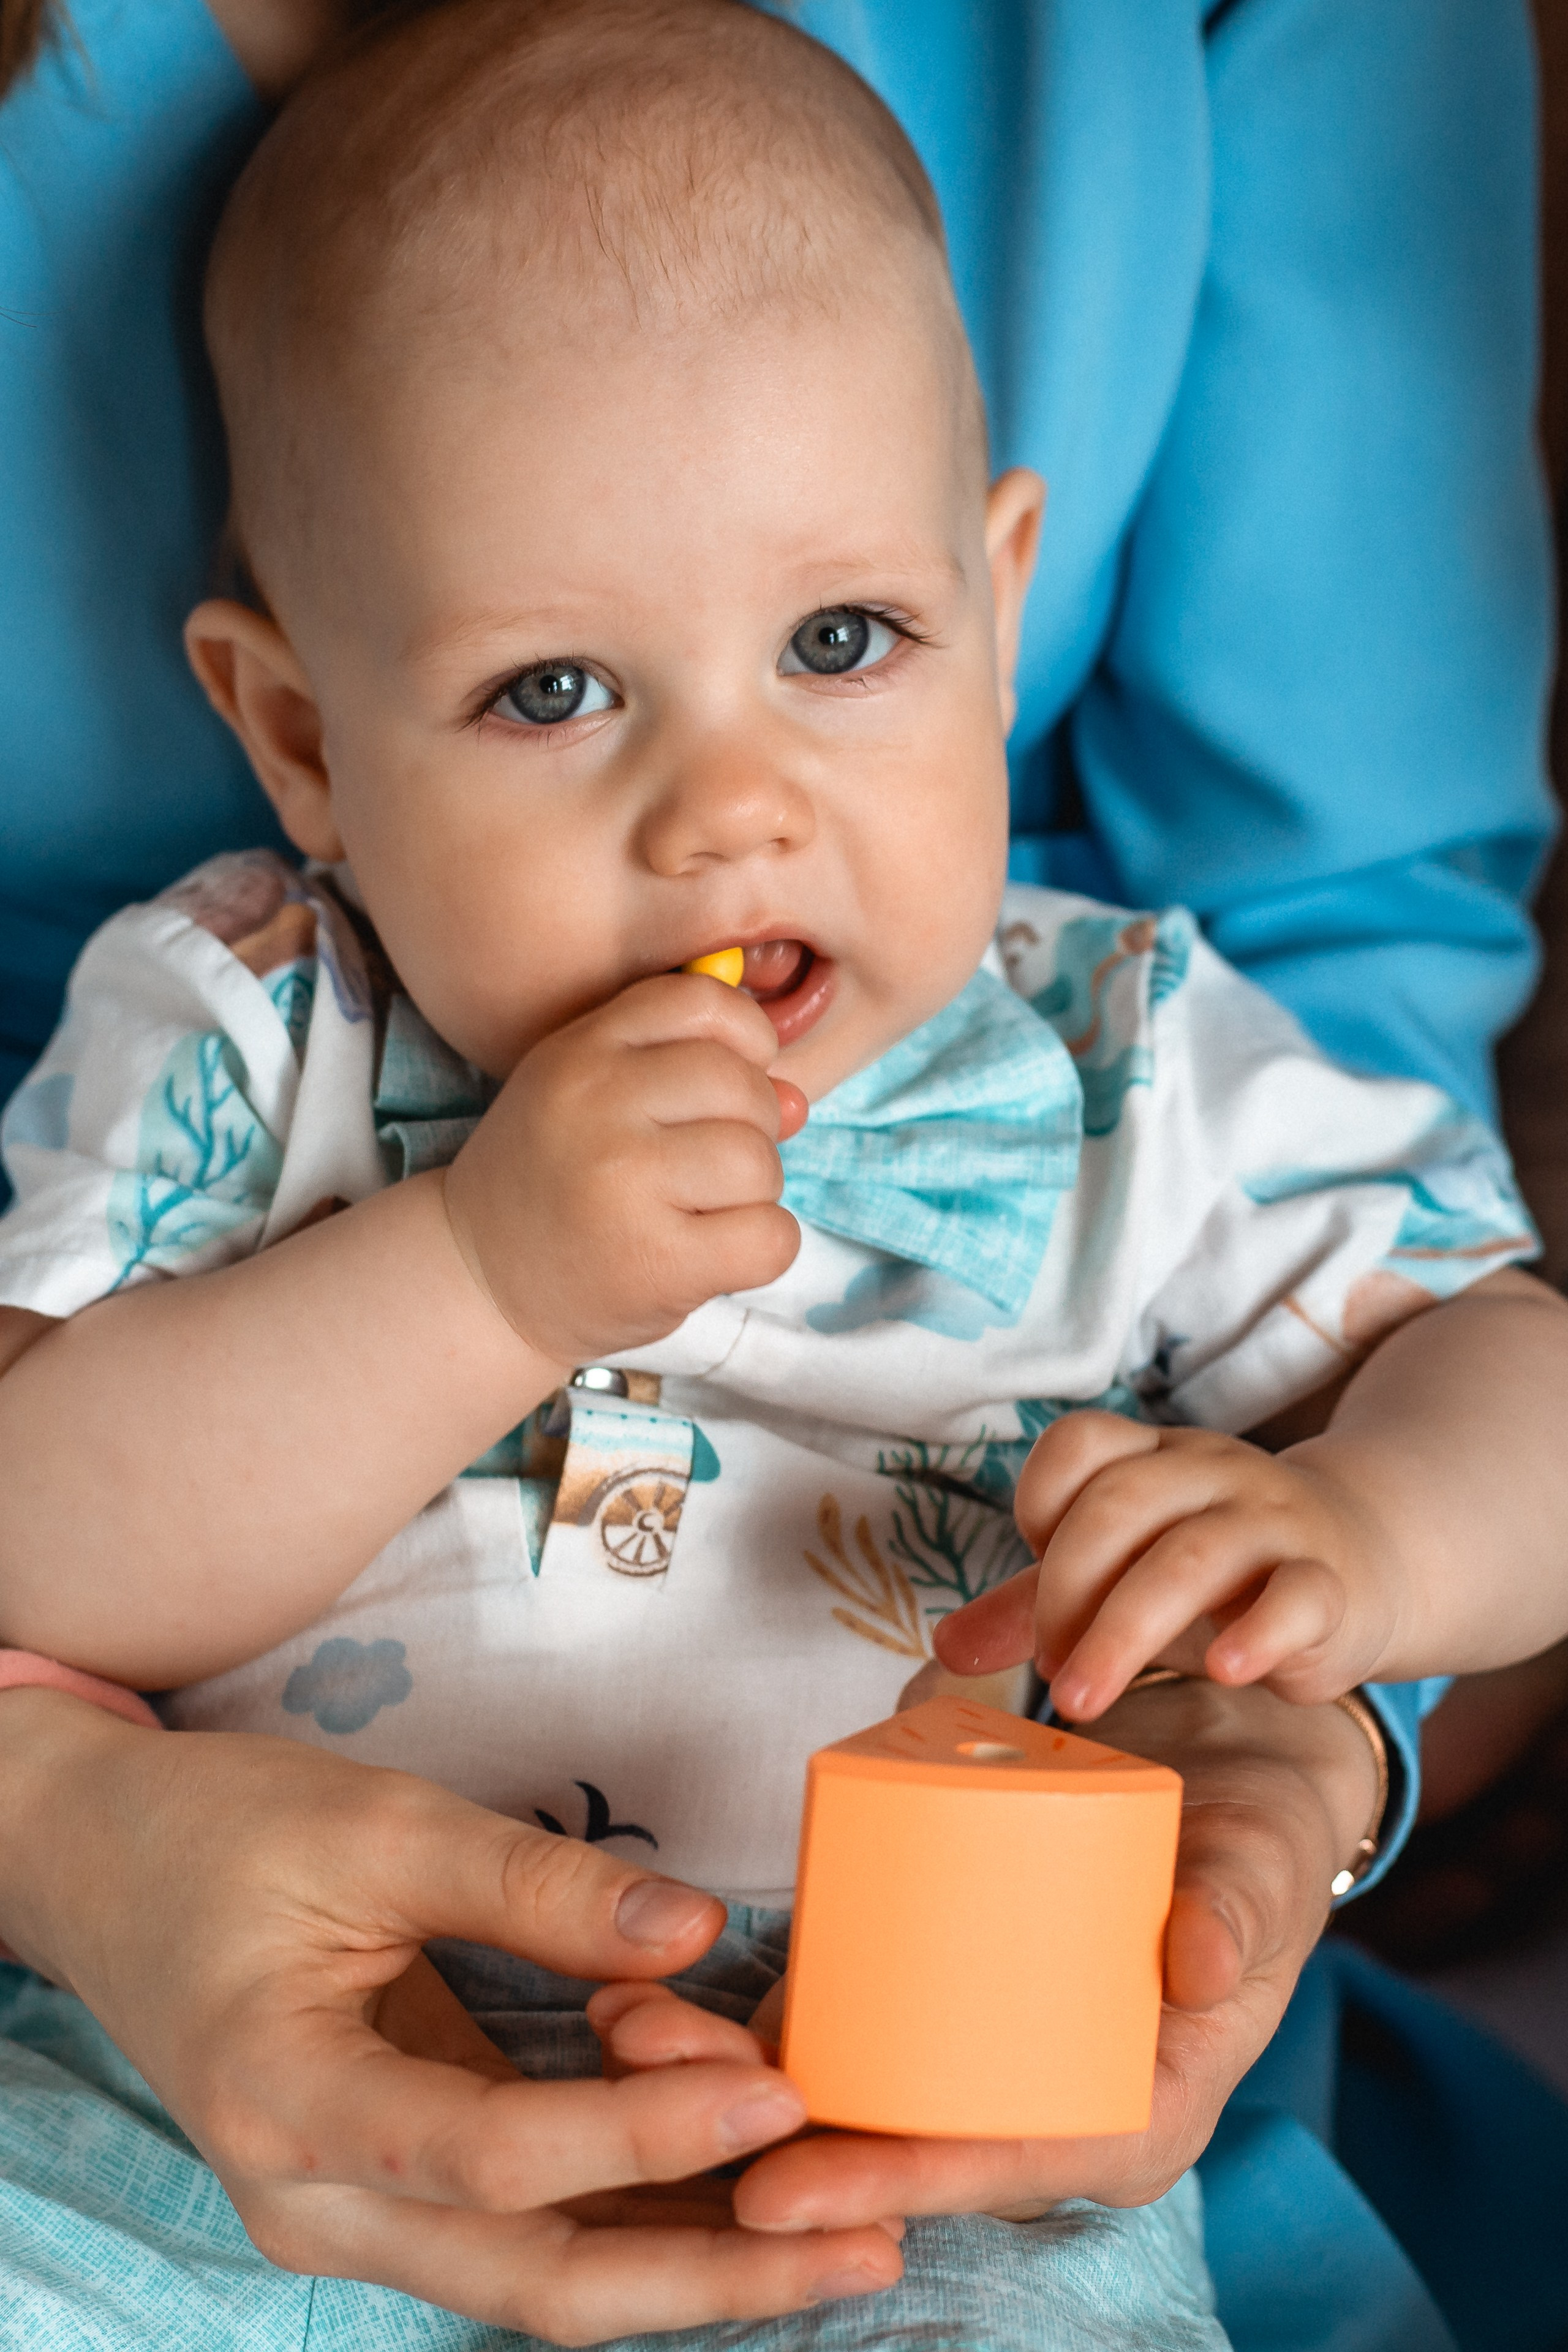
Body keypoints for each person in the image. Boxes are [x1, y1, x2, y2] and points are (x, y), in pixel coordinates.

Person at [0, 6, 1561, 2351]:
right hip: (192, 2090)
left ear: (1001, 605)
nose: (732, 806)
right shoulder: (250, 1017)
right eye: (557, 691)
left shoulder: (1133, 1053)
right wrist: (475, 1273)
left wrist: (1361, 1549)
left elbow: (1517, 1381)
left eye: (843, 642)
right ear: (301, 736)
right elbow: (37, 1537)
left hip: (943, 2152)